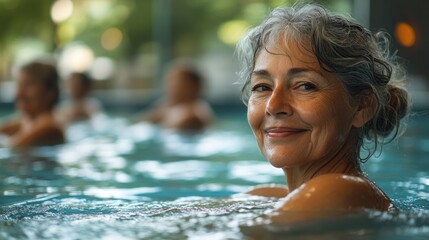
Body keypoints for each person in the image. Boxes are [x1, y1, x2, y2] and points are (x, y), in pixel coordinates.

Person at [235, 3, 410, 216]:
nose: (273, 106)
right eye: (262, 87)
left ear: (362, 107)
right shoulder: (274, 197)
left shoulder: (340, 191)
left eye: (305, 85)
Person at [0, 61, 65, 148]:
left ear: (50, 93)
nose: (19, 93)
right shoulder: (28, 120)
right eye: (19, 85)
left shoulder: (48, 125)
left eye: (28, 85)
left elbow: (12, 147)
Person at [142, 60, 213, 131]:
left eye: (176, 82)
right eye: (169, 81)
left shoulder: (194, 115)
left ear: (194, 87)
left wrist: (163, 113)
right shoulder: (171, 109)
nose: (170, 87)